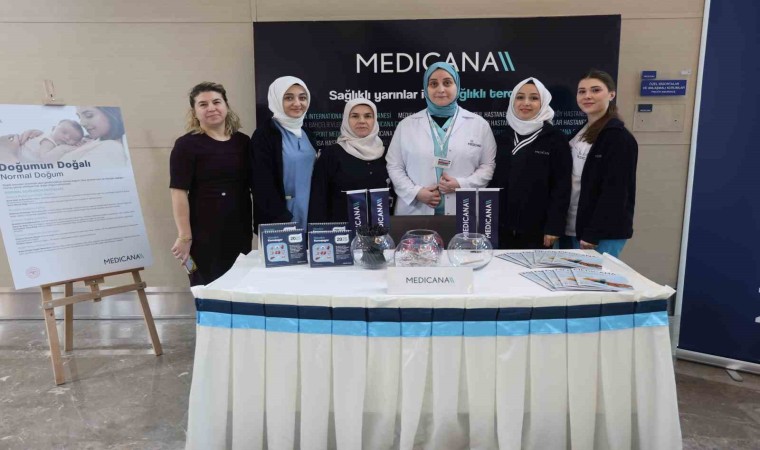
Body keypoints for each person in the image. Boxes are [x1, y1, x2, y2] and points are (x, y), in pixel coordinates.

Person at [169, 82, 252, 286]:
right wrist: (185, 237)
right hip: (202, 232)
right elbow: (178, 193)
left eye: (216, 102)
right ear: (194, 112)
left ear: (226, 106)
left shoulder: (243, 142)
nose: (211, 108)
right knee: (205, 285)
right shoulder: (186, 145)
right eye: (203, 104)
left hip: (239, 228)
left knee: (239, 285)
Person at [386, 62, 496, 215]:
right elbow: (394, 166)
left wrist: (462, 184)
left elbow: (487, 166)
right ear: (426, 88)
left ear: (457, 86)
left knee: (462, 231)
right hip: (416, 211)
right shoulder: (406, 125)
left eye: (447, 83)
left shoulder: (479, 125)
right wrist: (416, 192)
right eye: (433, 84)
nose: (441, 89)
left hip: (464, 211)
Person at [559, 69, 638, 257]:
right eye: (582, 91)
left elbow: (616, 191)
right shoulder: (581, 132)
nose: (587, 96)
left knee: (592, 277)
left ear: (611, 94)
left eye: (595, 90)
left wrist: (594, 233)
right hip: (574, 226)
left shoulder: (618, 138)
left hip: (598, 234)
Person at [488, 77, 571, 249]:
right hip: (501, 228)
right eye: (520, 97)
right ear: (512, 101)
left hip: (538, 230)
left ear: (543, 102)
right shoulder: (503, 138)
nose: (526, 103)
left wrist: (554, 226)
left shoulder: (556, 139)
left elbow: (561, 186)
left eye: (534, 98)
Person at [251, 76, 317, 230]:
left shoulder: (307, 133)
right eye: (289, 98)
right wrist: (281, 218)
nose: (297, 103)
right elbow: (261, 183)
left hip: (310, 212)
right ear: (276, 99)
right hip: (279, 217)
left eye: (302, 97)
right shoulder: (264, 135)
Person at [308, 98, 389, 223]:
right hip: (341, 230)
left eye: (368, 116)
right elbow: (319, 198)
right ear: (346, 119)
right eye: (355, 116)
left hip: (381, 230)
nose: (362, 121)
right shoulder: (331, 154)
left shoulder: (387, 154)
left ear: (375, 120)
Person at [17, 107, 128, 166]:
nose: (82, 123)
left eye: (89, 115)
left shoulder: (110, 147)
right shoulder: (89, 139)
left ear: (111, 113)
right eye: (79, 117)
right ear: (53, 128)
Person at [18, 119, 84, 163]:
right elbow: (47, 160)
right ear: (53, 129)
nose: (67, 138)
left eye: (73, 139)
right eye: (64, 132)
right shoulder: (48, 141)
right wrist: (64, 149)